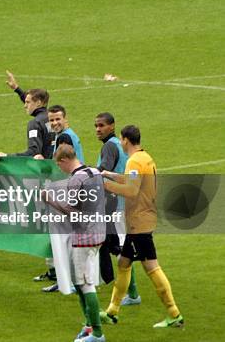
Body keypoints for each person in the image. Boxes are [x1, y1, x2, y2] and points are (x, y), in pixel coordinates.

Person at [100, 125, 183, 329]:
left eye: (121, 139)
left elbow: (131, 190)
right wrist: (108, 174)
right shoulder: (145, 157)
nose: (120, 142)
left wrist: (105, 185)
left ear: (126, 140)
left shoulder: (134, 161)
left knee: (152, 267)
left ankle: (174, 313)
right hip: (141, 219)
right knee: (124, 264)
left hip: (139, 223)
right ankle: (112, 311)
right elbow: (131, 181)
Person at [42, 144, 106, 342]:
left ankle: (97, 333)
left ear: (63, 161)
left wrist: (49, 199)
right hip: (99, 231)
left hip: (84, 237)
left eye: (59, 165)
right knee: (79, 281)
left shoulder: (76, 180)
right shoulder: (94, 172)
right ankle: (88, 325)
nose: (59, 169)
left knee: (85, 284)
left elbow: (73, 213)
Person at [0, 72, 54, 283]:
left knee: (46, 225)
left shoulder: (34, 125)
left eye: (28, 102)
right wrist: (17, 89)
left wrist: (8, 157)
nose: (24, 105)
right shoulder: (52, 118)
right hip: (59, 174)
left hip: (44, 179)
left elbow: (33, 151)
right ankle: (57, 268)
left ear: (38, 102)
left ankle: (56, 270)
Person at [38, 105, 88, 293]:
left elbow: (62, 164)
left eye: (58, 119)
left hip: (68, 190)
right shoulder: (67, 135)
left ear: (65, 118)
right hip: (73, 188)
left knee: (64, 239)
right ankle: (68, 279)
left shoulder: (65, 138)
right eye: (51, 120)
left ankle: (71, 281)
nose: (54, 123)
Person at [94, 112, 140, 305]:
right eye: (96, 126)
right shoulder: (118, 146)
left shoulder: (109, 147)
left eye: (101, 125)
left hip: (116, 205)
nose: (98, 129)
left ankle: (132, 294)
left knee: (123, 250)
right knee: (122, 248)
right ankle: (130, 291)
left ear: (112, 126)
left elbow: (102, 171)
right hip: (124, 202)